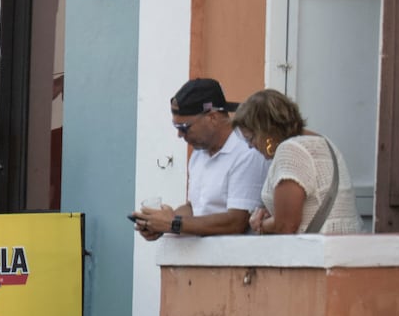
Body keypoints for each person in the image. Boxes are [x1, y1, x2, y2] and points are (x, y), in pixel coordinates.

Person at [135, 78, 272, 240]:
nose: (179, 135)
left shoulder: (246, 151)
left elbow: (237, 222)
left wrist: (174, 224)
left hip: (233, 259)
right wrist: (157, 223)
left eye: (184, 128)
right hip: (199, 260)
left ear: (212, 117)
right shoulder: (198, 153)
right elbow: (195, 208)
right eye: (176, 127)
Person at [233, 89, 364, 235]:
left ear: (265, 131)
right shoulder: (323, 142)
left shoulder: (290, 151)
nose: (250, 146)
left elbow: (286, 225)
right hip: (344, 246)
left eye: (250, 138)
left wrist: (260, 224)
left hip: (316, 251)